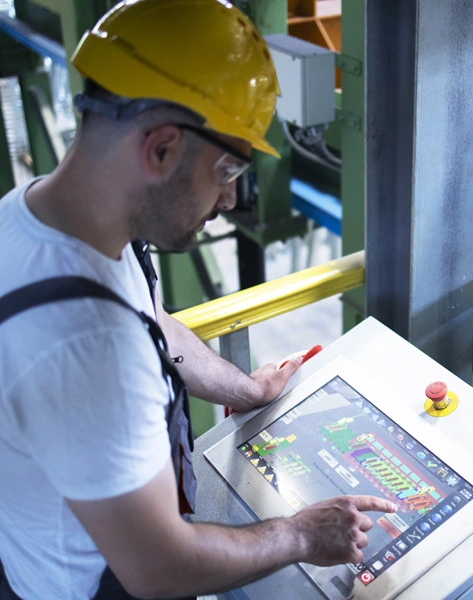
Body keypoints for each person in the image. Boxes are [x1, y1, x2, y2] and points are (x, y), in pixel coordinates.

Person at [0, 1, 395, 598]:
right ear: (161, 149)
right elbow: (160, 567)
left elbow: (155, 325)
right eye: (228, 168)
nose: (231, 200)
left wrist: (247, 388)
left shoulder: (38, 217)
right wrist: (300, 535)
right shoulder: (87, 345)